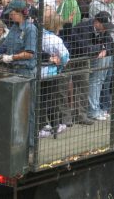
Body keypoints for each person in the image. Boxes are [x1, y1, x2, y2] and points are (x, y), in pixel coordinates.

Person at [0, 0, 38, 143]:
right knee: (13, 109)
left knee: (26, 110)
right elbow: (3, 47)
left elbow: (30, 53)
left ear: (20, 12)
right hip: (13, 73)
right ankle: (15, 141)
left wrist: (11, 57)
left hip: (26, 73)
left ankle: (29, 145)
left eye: (12, 13)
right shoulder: (13, 28)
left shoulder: (30, 29)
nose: (10, 15)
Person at [72, 11, 114, 121]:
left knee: (99, 80)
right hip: (75, 58)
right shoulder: (85, 27)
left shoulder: (102, 29)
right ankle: (92, 111)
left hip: (89, 58)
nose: (106, 29)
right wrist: (102, 47)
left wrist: (105, 49)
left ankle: (95, 108)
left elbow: (110, 42)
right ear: (96, 22)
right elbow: (87, 49)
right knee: (92, 82)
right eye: (104, 26)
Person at [37, 8, 71, 138]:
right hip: (50, 73)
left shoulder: (39, 35)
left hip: (38, 73)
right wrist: (61, 62)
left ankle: (44, 124)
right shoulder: (55, 40)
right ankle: (52, 126)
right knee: (50, 100)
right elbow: (65, 56)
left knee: (40, 99)